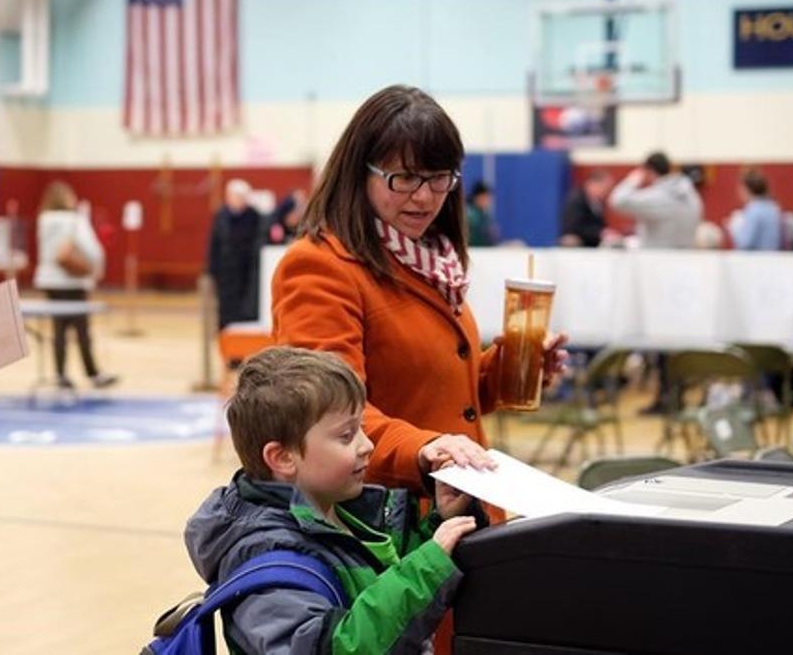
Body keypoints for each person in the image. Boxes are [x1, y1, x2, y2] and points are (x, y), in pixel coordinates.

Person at [270, 84, 567, 506]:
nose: (425, 196)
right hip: (388, 525)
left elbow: (441, 392)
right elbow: (326, 415)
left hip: (458, 505)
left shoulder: (432, 259)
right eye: (404, 178)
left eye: (438, 178)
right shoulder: (320, 267)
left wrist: (515, 368)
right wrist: (425, 452)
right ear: (360, 174)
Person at [186, 346, 482, 653]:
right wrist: (427, 567)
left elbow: (382, 580)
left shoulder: (337, 512)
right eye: (346, 435)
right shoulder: (269, 567)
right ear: (283, 457)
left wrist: (440, 524)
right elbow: (336, 647)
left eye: (362, 429)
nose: (367, 445)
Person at [33, 180, 118, 389]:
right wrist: (96, 271)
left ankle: (60, 374)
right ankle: (93, 373)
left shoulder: (43, 220)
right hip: (72, 282)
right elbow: (92, 250)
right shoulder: (74, 220)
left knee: (59, 329)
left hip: (49, 281)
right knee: (82, 330)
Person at [608, 151, 702, 249]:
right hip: (686, 257)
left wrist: (632, 180)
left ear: (648, 170)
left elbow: (617, 201)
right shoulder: (691, 195)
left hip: (657, 259)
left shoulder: (658, 197)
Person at [207, 178, 263, 328]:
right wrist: (211, 270)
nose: (238, 200)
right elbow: (214, 244)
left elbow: (258, 243)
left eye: (241, 196)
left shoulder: (254, 216)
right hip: (225, 271)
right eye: (234, 196)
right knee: (225, 306)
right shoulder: (221, 216)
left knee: (245, 307)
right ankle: (224, 334)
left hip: (246, 272)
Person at [726, 167, 782, 251]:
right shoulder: (773, 208)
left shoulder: (753, 210)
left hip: (756, 261)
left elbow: (745, 243)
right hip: (772, 258)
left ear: (746, 189)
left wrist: (734, 227)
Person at [558, 170, 613, 247]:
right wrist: (599, 233)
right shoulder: (577, 200)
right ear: (593, 184)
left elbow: (599, 224)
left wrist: (606, 232)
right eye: (604, 188)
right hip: (578, 240)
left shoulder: (597, 202)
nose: (605, 192)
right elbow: (574, 226)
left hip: (592, 240)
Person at [464, 180, 496, 246]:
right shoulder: (471, 215)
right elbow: (478, 240)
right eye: (486, 197)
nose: (489, 201)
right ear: (478, 197)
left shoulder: (482, 214)